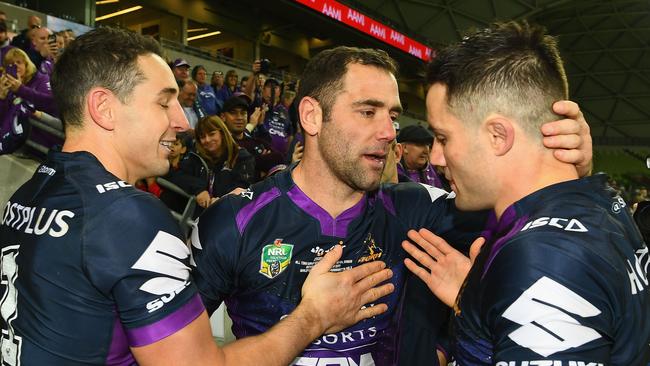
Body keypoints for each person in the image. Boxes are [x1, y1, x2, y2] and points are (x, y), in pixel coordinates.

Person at [0, 26, 396, 365]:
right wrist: (314, 316)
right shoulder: (126, 217)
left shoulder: (28, 194)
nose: (179, 121)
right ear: (104, 107)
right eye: (163, 101)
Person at [190, 45, 594, 366]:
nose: (388, 133)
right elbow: (172, 358)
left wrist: (566, 167)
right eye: (368, 111)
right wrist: (308, 320)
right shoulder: (234, 222)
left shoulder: (417, 210)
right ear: (312, 117)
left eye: (393, 117)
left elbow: (539, 221)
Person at [401, 21, 650, 365]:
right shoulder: (600, 198)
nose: (437, 157)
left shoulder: (542, 258)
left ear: (498, 136)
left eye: (443, 138)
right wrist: (473, 302)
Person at [168, 115, 256, 211]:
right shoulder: (196, 156)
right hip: (197, 217)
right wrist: (199, 190)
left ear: (222, 133)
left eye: (212, 134)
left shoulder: (242, 157)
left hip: (228, 215)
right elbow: (177, 175)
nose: (207, 140)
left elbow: (242, 189)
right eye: (202, 137)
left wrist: (222, 200)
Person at [0, 47, 58, 155]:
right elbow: (3, 118)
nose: (16, 66)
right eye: (11, 64)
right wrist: (2, 99)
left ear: (27, 64)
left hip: (39, 140)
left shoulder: (41, 79)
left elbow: (50, 103)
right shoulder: (5, 84)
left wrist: (21, 89)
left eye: (19, 62)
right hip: (14, 140)